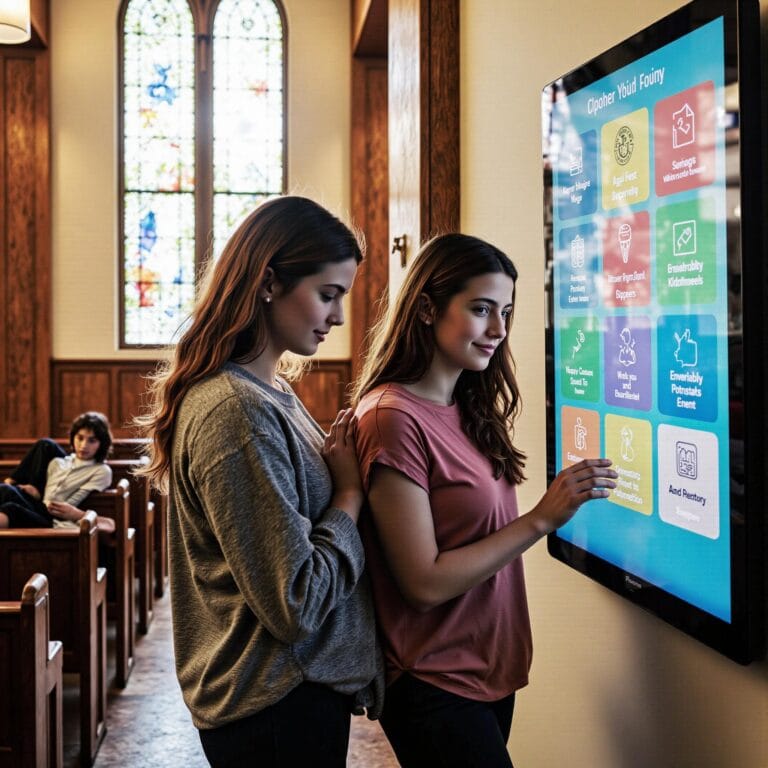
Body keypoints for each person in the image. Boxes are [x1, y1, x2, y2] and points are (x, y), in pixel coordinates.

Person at [351, 233, 617, 768]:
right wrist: (542, 519)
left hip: (488, 669)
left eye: (507, 311)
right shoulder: (392, 417)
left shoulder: (467, 403)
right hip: (433, 680)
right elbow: (422, 584)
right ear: (427, 308)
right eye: (481, 309)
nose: (498, 329)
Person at [137, 195, 382, 768]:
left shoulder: (269, 390)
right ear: (269, 282)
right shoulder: (235, 410)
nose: (340, 317)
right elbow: (294, 603)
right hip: (272, 703)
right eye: (328, 295)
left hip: (289, 694)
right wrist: (349, 496)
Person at [0, 411, 115, 533]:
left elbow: (75, 500)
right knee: (4, 489)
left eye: (92, 441)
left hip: (55, 516)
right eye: (80, 438)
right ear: (73, 437)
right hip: (40, 506)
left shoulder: (101, 470)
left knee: (10, 505)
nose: (84, 445)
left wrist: (71, 513)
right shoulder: (58, 462)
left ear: (101, 444)